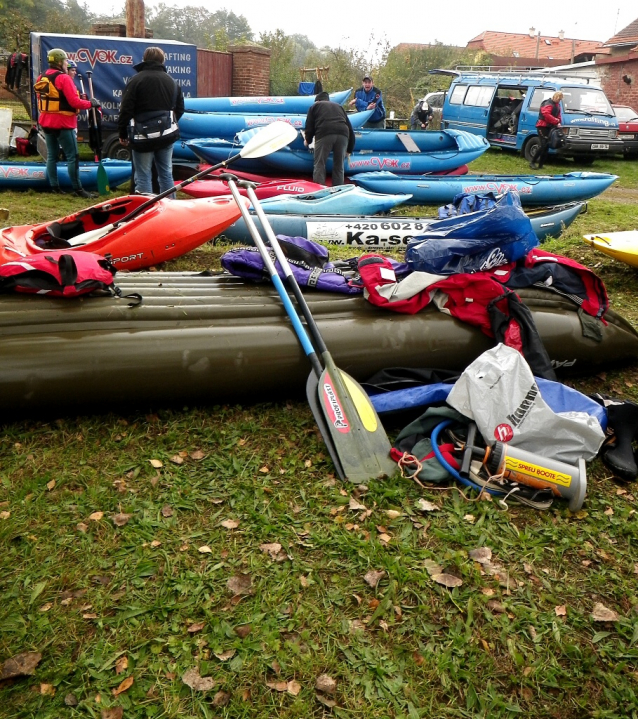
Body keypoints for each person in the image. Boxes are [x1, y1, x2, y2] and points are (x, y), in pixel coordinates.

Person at [118, 47, 184, 195]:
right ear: (162, 61)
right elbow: (180, 109)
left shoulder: (135, 80)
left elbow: (126, 110)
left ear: (144, 59)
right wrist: (167, 124)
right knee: (166, 173)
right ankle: (171, 209)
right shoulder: (172, 82)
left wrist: (122, 133)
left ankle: (146, 211)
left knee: (143, 175)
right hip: (167, 135)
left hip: (142, 138)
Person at [34, 48, 97, 197]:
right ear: (60, 62)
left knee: (51, 155)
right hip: (63, 123)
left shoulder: (41, 77)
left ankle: (54, 186)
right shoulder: (64, 78)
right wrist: (90, 103)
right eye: (64, 61)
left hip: (46, 122)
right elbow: (74, 102)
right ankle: (78, 189)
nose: (66, 63)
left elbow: (40, 100)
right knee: (72, 156)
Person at [304, 91, 355, 186]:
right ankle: (338, 191)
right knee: (339, 166)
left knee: (320, 164)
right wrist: (349, 149)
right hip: (343, 134)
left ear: (317, 100)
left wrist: (308, 140)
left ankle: (319, 190)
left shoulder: (315, 106)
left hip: (325, 132)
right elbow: (350, 129)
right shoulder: (339, 107)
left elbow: (309, 126)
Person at [530, 91, 564, 170]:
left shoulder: (557, 105)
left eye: (560, 100)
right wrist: (556, 121)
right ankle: (532, 162)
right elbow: (546, 114)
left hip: (550, 127)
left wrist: (558, 121)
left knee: (546, 146)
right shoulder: (547, 103)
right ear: (555, 97)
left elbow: (559, 115)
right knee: (543, 145)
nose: (559, 101)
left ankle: (541, 165)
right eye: (559, 99)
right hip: (542, 126)